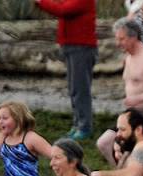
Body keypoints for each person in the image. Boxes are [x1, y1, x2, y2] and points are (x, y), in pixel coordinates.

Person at [98, 18, 143, 160]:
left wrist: (140, 97)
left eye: (121, 39)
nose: (117, 43)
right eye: (117, 39)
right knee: (105, 142)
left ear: (133, 37)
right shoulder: (128, 58)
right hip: (133, 113)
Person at [34, 0, 97, 141]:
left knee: (80, 89)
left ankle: (84, 126)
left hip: (81, 47)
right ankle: (77, 124)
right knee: (74, 88)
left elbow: (63, 10)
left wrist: (41, 1)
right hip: (71, 46)